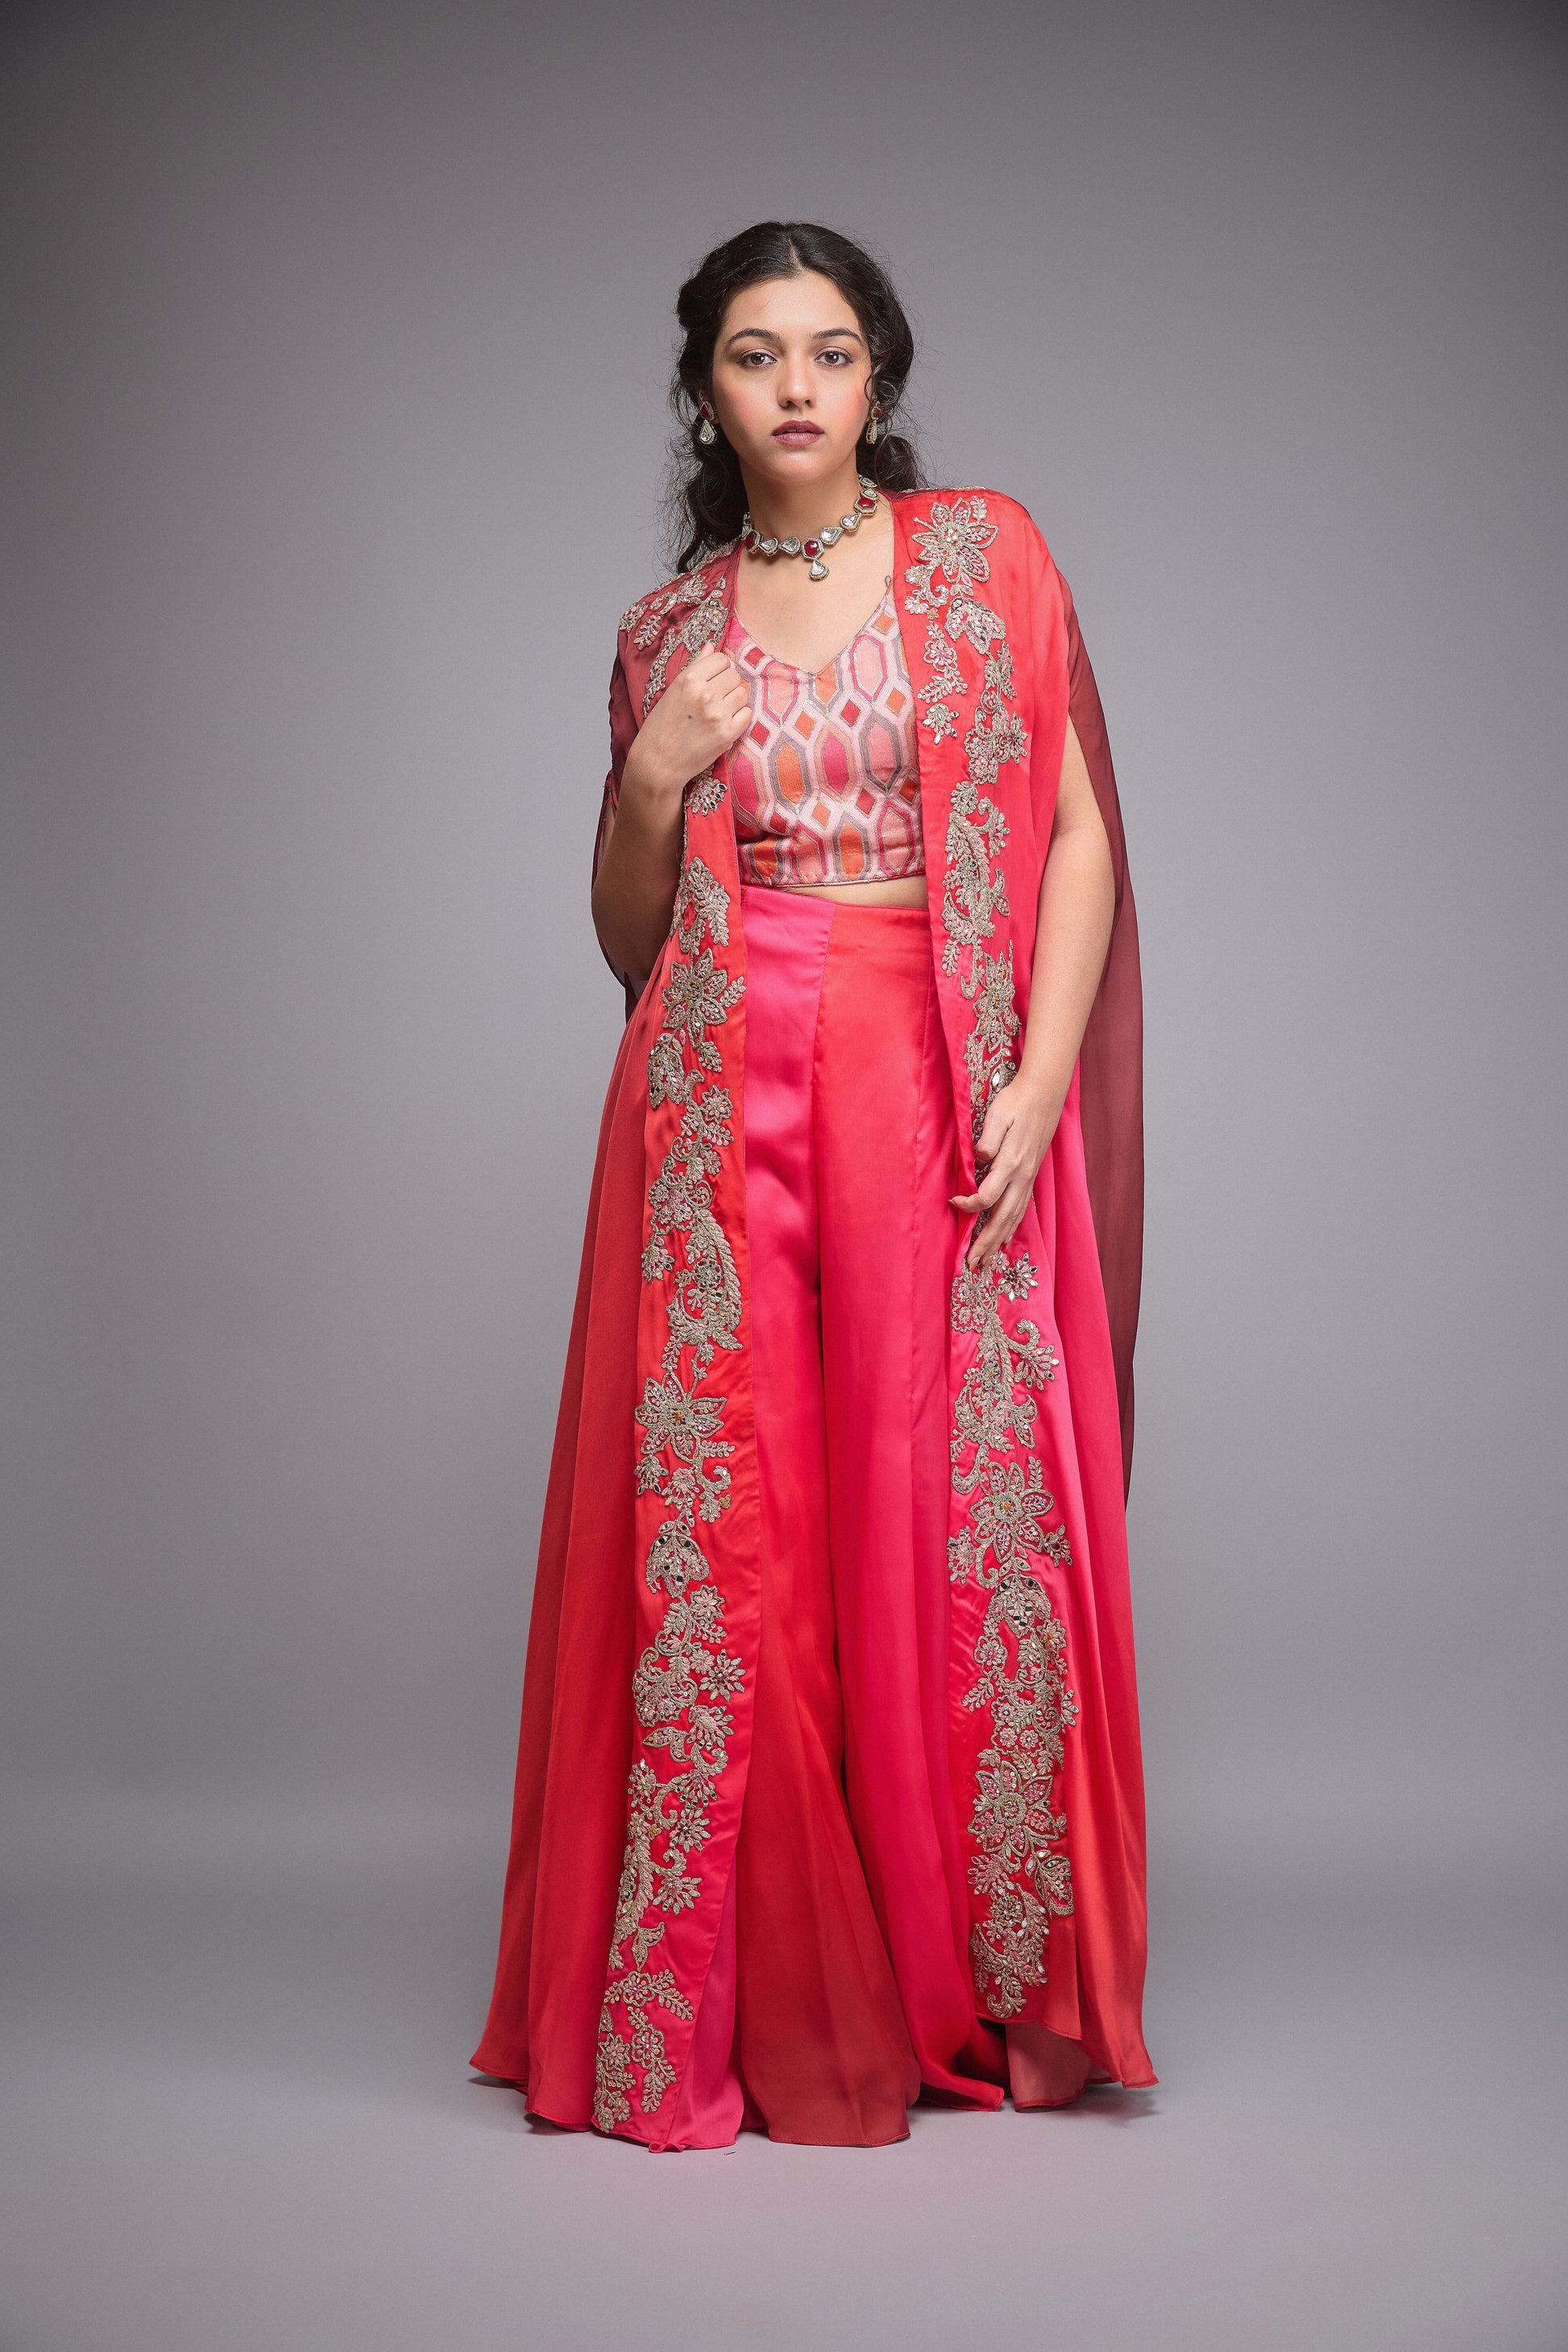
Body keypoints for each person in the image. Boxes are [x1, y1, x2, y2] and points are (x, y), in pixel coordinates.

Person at [471, 220, 1154, 2149]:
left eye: (831, 351)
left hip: (927, 1063)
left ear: (878, 378)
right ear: (704, 390)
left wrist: (1035, 1072)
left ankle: (959, 1974)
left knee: (927, 1496)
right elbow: (629, 944)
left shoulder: (981, 556)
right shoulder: (664, 634)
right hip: (710, 1102)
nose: (794, 385)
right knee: (741, 1528)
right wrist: (649, 779)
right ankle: (761, 1987)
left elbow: (1076, 833)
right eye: (754, 353)